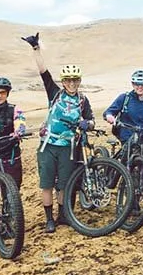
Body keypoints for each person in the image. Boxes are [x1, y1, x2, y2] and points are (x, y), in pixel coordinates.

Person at [22, 31, 95, 233]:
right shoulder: (54, 93)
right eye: (68, 80)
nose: (72, 83)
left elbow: (91, 120)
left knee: (63, 185)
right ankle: (49, 219)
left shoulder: (82, 100)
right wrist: (36, 48)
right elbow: (43, 72)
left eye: (75, 80)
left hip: (68, 148)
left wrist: (87, 124)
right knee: (47, 184)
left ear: (79, 81)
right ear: (63, 82)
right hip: (49, 145)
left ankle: (63, 216)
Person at [103, 69, 143, 222]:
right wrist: (110, 118)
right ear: (133, 84)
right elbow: (109, 112)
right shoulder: (125, 98)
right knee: (130, 171)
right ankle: (131, 204)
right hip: (127, 138)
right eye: (137, 84)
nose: (140, 87)